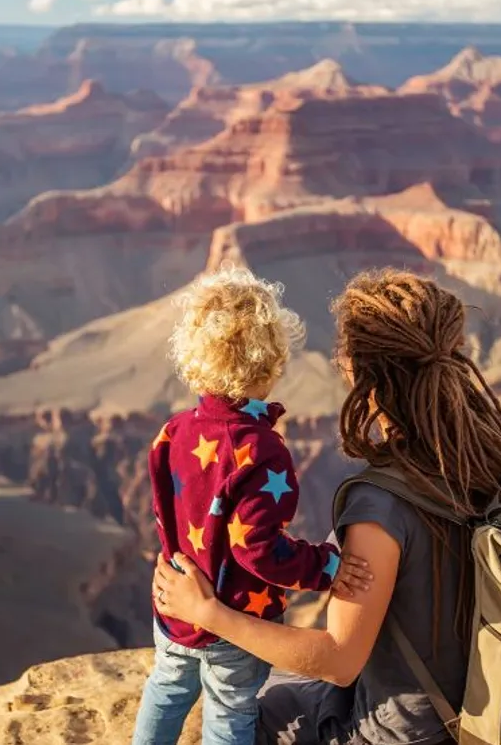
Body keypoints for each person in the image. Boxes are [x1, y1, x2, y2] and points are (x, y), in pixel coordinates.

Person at [153, 269, 501, 745]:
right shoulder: (480, 456)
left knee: (243, 710)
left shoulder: (381, 505)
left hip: (399, 734)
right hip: (484, 705)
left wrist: (208, 614)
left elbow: (337, 659)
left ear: (362, 374)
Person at [134, 266, 373, 745]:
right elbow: (257, 551)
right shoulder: (262, 450)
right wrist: (326, 567)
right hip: (235, 620)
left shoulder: (173, 431)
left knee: (166, 689)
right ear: (272, 361)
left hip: (175, 606)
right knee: (229, 712)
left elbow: (166, 517)